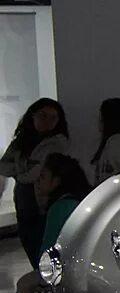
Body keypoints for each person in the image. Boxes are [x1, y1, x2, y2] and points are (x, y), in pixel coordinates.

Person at [17, 153, 90, 293]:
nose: (37, 183)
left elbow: (45, 254)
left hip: (66, 273)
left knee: (24, 287)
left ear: (56, 181)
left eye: (42, 177)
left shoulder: (59, 208)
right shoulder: (78, 201)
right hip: (83, 267)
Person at [0, 98, 69, 266]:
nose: (48, 122)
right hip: (24, 198)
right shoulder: (21, 141)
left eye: (53, 118)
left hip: (44, 199)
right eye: (43, 116)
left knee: (41, 242)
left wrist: (19, 171)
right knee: (28, 238)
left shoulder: (57, 143)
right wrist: (23, 170)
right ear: (33, 116)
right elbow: (4, 166)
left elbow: (34, 174)